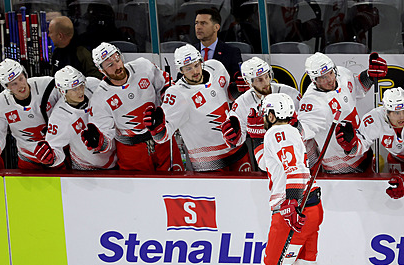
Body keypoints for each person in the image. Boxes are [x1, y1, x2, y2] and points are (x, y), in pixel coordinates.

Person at [253, 93, 325, 265]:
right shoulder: (292, 131)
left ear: (271, 114)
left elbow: (295, 171)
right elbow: (269, 164)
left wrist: (293, 205)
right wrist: (253, 137)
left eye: (265, 114)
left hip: (292, 211)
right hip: (313, 207)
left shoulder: (276, 133)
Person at [143, 44, 250, 172]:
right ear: (180, 70)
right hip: (210, 164)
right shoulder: (176, 93)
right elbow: (163, 136)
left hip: (238, 150)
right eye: (188, 68)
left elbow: (228, 96)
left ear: (201, 61)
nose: (195, 71)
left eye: (196, 65)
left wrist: (238, 88)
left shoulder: (216, 67)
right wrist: (156, 128)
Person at [86, 42, 181, 171]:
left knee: (176, 186)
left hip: (162, 139)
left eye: (117, 59)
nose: (117, 66)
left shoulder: (143, 66)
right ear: (101, 70)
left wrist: (166, 108)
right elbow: (106, 139)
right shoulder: (99, 98)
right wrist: (99, 141)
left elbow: (167, 87)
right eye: (110, 65)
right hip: (132, 152)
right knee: (141, 191)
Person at [298, 52, 387, 174]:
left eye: (330, 73)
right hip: (341, 168)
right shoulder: (312, 103)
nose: (330, 80)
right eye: (323, 77)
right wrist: (291, 125)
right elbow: (302, 132)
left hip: (364, 151)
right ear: (314, 80)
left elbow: (357, 87)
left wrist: (369, 76)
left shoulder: (342, 74)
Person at [347, 87, 404, 198]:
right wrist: (349, 145)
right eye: (396, 112)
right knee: (397, 190)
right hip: (398, 158)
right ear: (386, 111)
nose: (402, 116)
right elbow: (360, 146)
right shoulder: (374, 119)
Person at [222, 56, 301, 170]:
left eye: (267, 76)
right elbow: (237, 140)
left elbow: (306, 131)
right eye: (259, 79)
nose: (266, 82)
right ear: (249, 82)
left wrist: (295, 125)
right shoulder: (242, 103)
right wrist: (233, 137)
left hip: (296, 154)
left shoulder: (290, 94)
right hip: (266, 161)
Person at [44, 66, 116, 170]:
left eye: (81, 85)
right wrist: (50, 158)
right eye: (74, 89)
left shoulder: (94, 85)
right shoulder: (59, 117)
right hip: (86, 168)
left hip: (115, 158)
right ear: (63, 91)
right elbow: (54, 149)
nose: (80, 91)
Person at [0, 58, 61, 169]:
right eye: (14, 84)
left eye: (21, 79)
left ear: (25, 75)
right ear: (6, 87)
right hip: (28, 160)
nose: (21, 86)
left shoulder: (48, 85)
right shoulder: (0, 103)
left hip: (58, 155)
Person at [194, 8, 243, 82]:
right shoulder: (190, 51)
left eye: (203, 23)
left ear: (216, 27)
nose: (198, 27)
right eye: (196, 23)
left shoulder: (231, 52)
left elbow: (236, 83)